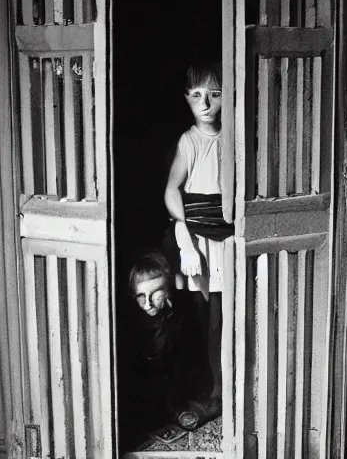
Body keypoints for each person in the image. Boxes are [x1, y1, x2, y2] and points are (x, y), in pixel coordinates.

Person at [163, 62, 234, 426]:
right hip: (200, 244)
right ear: (187, 98)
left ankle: (222, 394)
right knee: (206, 322)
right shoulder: (189, 141)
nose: (205, 103)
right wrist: (187, 242)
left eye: (214, 94)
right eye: (196, 95)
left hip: (228, 242)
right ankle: (211, 393)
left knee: (223, 323)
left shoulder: (233, 137)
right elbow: (172, 191)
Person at [122, 248, 211, 443]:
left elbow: (191, 366)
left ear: (169, 289)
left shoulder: (184, 316)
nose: (148, 304)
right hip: (141, 402)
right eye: (140, 296)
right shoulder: (126, 326)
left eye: (155, 294)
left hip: (175, 397)